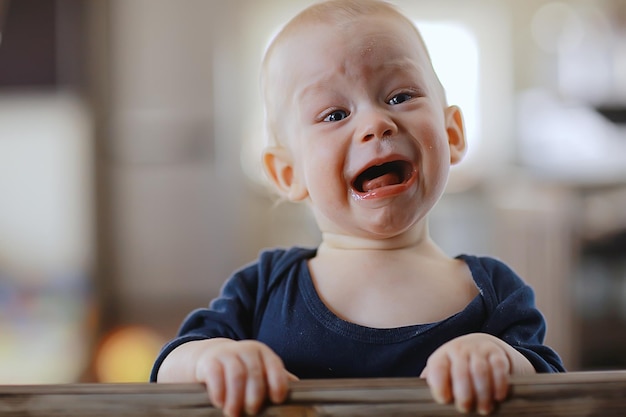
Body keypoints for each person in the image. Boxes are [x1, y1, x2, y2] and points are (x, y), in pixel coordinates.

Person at [150, 0, 565, 416]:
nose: (375, 124)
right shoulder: (264, 287)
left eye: (400, 95)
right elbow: (170, 365)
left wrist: (501, 358)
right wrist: (212, 360)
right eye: (334, 114)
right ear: (287, 172)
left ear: (452, 133)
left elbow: (553, 387)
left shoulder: (493, 290)